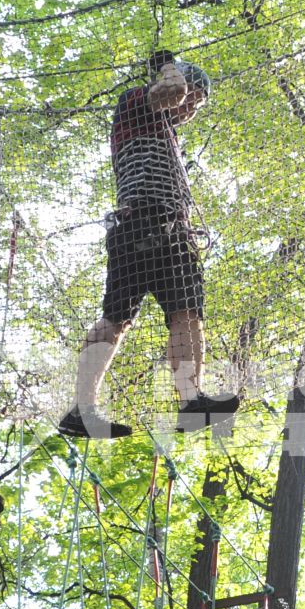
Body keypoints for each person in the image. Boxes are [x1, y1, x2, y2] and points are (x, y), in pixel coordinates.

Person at [60, 50, 242, 439]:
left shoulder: (167, 133)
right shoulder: (136, 103)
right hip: (145, 223)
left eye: (198, 105)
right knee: (130, 316)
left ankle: (187, 401)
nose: (190, 108)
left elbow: (175, 96)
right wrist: (169, 66)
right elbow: (171, 91)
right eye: (194, 97)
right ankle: (86, 409)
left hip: (162, 230)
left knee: (177, 313)